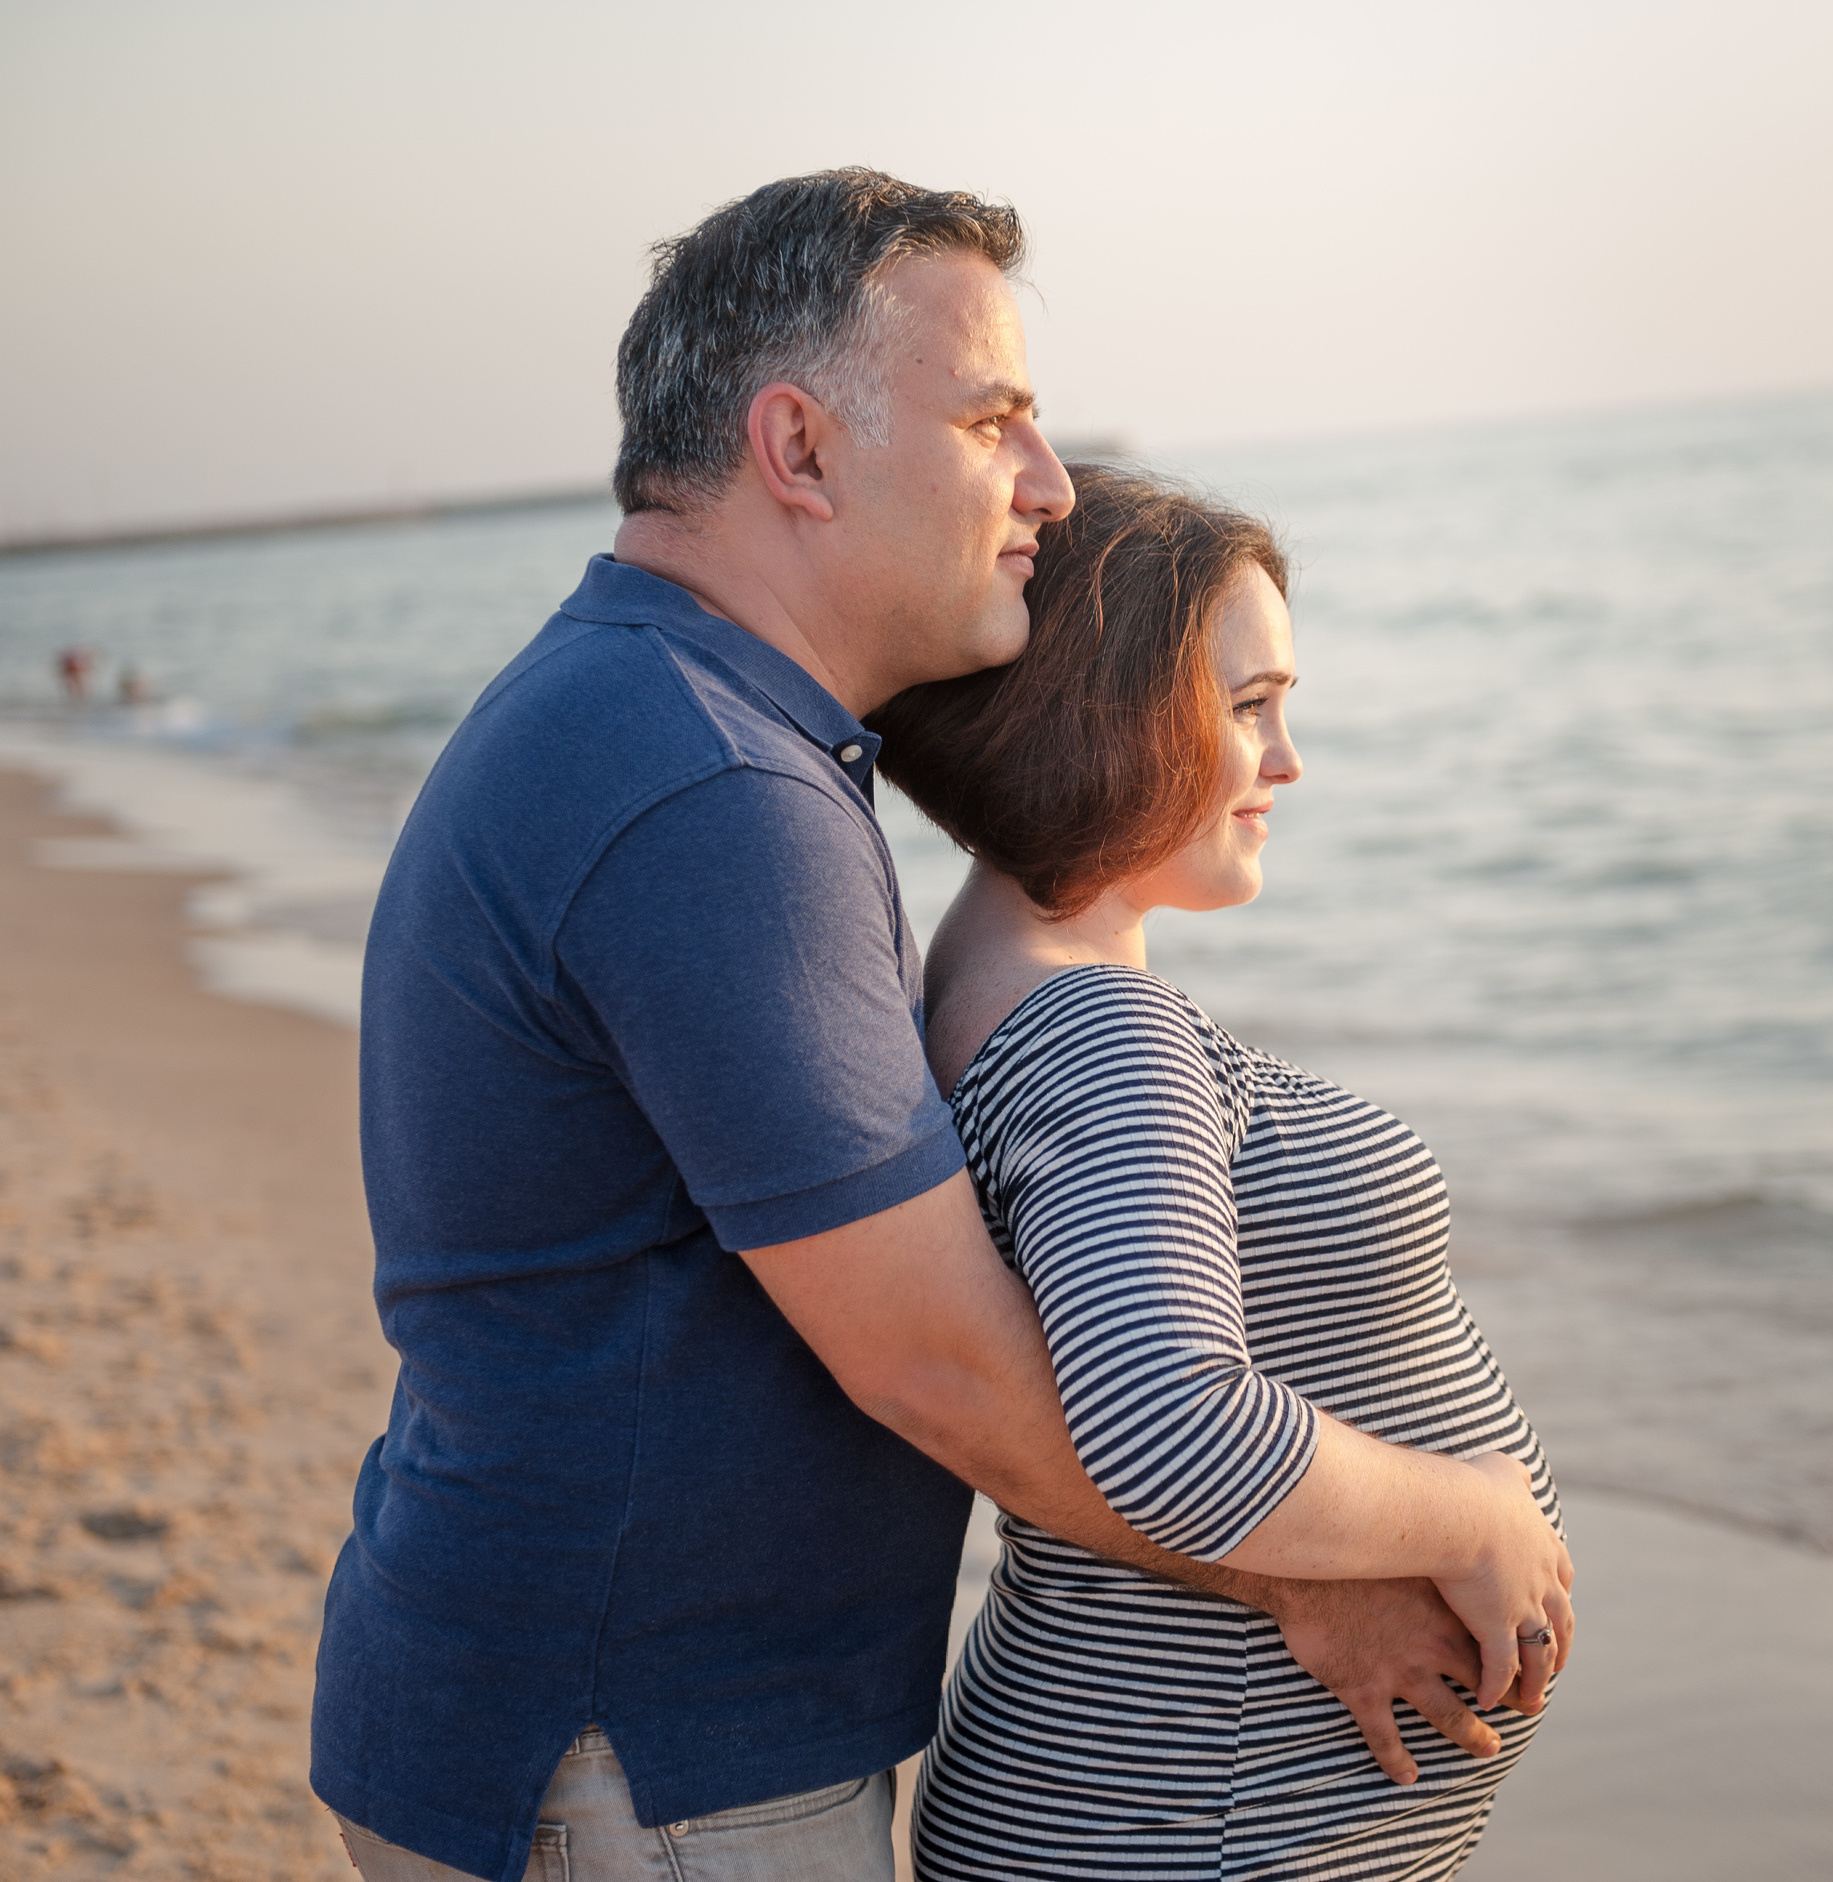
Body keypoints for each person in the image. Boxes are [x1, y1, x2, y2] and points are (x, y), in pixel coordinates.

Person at [311, 169, 1568, 1882]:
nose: (1049, 481)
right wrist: (1320, 1571)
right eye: (994, 421)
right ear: (799, 447)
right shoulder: (705, 784)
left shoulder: (674, 722)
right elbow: (946, 1368)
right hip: (636, 1755)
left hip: (606, 1719)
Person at [875, 466, 1566, 1879]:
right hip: (1188, 1818)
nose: (1288, 760)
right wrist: (1474, 1514)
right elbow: (1169, 1421)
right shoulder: (1097, 1034)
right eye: (1249, 707)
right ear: (1102, 712)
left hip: (1182, 1804)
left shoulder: (1020, 993)